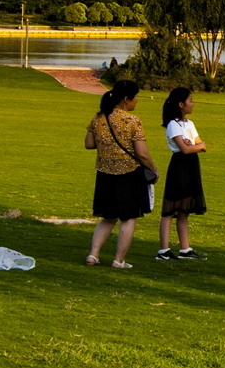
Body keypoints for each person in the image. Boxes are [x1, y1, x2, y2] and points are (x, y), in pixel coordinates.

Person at [84, 79, 156, 269]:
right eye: (135, 97)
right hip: (129, 173)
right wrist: (153, 169)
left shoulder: (99, 118)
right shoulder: (133, 121)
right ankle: (119, 260)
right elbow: (141, 153)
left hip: (105, 172)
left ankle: (93, 254)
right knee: (128, 217)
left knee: (108, 217)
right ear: (126, 99)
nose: (137, 100)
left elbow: (89, 144)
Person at [156, 86, 209, 260]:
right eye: (190, 100)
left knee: (184, 209)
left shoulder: (189, 124)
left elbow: (200, 144)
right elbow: (185, 149)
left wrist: (195, 146)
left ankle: (184, 248)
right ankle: (163, 250)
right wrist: (195, 147)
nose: (192, 104)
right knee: (171, 208)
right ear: (181, 104)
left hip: (191, 165)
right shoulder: (173, 124)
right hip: (179, 165)